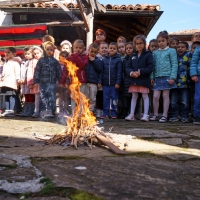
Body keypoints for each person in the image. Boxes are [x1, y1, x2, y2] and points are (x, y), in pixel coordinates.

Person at [150, 31, 178, 122]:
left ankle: (165, 115)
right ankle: (155, 114)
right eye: (159, 41)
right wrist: (152, 77)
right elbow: (152, 66)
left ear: (167, 41)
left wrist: (172, 77)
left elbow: (174, 64)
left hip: (167, 76)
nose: (161, 43)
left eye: (163, 40)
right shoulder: (154, 53)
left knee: (166, 95)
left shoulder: (171, 51)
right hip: (157, 77)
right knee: (155, 96)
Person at [125, 36, 153, 121]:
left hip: (143, 79)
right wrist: (131, 73)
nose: (139, 45)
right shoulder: (132, 55)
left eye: (141, 43)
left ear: (144, 44)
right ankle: (132, 114)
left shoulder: (148, 54)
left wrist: (140, 71)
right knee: (134, 96)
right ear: (135, 45)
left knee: (145, 96)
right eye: (137, 44)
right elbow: (127, 66)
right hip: (134, 79)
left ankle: (145, 115)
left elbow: (150, 67)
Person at [34, 41, 61, 118]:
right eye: (48, 49)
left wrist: (60, 81)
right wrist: (36, 81)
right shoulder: (41, 60)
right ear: (45, 50)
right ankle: (43, 111)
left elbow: (59, 72)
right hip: (43, 82)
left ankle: (52, 111)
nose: (49, 51)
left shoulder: (55, 61)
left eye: (51, 50)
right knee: (43, 97)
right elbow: (37, 71)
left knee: (52, 97)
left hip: (52, 82)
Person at [169, 41, 192, 123]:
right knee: (173, 101)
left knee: (184, 101)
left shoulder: (189, 55)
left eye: (182, 47)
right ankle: (174, 116)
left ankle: (185, 116)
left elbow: (191, 66)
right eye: (178, 47)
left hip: (185, 83)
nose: (180, 48)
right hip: (174, 82)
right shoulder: (173, 56)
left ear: (186, 48)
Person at [98, 42, 122, 119]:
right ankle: (105, 113)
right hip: (105, 84)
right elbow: (101, 72)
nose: (112, 50)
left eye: (114, 49)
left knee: (114, 99)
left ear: (117, 50)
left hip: (114, 84)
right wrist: (100, 81)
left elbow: (119, 72)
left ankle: (114, 113)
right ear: (108, 49)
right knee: (106, 99)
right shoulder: (104, 60)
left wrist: (118, 82)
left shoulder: (118, 60)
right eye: (110, 48)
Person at [67, 39, 88, 113]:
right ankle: (74, 113)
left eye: (80, 48)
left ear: (83, 49)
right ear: (73, 48)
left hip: (82, 82)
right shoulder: (70, 57)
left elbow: (81, 65)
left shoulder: (85, 57)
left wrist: (76, 56)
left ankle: (81, 114)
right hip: (73, 82)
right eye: (76, 47)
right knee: (73, 98)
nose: (78, 49)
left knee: (81, 98)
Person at [0, 47, 20, 117]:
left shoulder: (15, 63)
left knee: (11, 96)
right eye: (5, 52)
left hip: (11, 82)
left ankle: (11, 110)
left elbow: (17, 72)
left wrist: (18, 80)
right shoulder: (5, 63)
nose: (6, 54)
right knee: (6, 96)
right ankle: (7, 110)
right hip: (4, 82)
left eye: (8, 52)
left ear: (13, 54)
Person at [18, 47, 35, 117]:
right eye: (25, 54)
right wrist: (20, 79)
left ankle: (31, 110)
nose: (26, 55)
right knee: (26, 96)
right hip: (23, 83)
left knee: (30, 96)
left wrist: (27, 79)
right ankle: (26, 110)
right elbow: (21, 71)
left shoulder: (32, 62)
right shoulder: (23, 62)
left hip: (29, 82)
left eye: (28, 54)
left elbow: (31, 73)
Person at [27, 46, 43, 118]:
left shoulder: (44, 60)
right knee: (37, 97)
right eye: (34, 54)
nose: (36, 55)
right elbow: (30, 72)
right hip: (36, 82)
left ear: (41, 53)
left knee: (44, 97)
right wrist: (30, 82)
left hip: (44, 82)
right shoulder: (32, 62)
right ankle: (36, 111)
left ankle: (43, 111)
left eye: (37, 53)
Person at [85, 43, 102, 113]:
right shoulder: (85, 59)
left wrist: (93, 61)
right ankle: (85, 111)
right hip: (86, 82)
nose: (93, 53)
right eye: (91, 51)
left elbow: (99, 70)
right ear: (89, 50)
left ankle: (91, 111)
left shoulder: (98, 61)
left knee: (92, 98)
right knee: (86, 98)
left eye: (95, 52)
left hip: (94, 83)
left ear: (97, 52)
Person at [120, 42, 134, 119]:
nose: (128, 50)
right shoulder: (124, 60)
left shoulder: (135, 58)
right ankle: (125, 112)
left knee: (133, 97)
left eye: (130, 48)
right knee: (125, 97)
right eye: (127, 48)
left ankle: (132, 112)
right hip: (125, 80)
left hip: (133, 80)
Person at [96, 42, 108, 121]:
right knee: (98, 96)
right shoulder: (96, 58)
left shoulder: (109, 58)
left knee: (105, 97)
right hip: (98, 81)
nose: (104, 49)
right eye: (102, 48)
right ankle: (98, 110)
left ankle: (105, 111)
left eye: (105, 48)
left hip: (106, 81)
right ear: (99, 50)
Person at [58, 51, 70, 117]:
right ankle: (60, 111)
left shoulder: (69, 65)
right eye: (63, 56)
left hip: (67, 84)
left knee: (66, 98)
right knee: (60, 98)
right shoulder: (57, 65)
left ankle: (65, 110)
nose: (64, 58)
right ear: (59, 57)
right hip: (59, 83)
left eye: (66, 56)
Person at [190, 45, 200, 124]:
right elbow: (194, 62)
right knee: (198, 97)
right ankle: (197, 116)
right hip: (199, 76)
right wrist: (194, 74)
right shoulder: (198, 49)